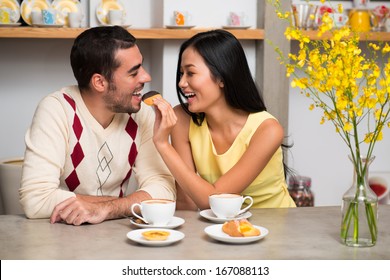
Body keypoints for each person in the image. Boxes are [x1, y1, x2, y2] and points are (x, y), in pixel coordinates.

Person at [19, 26, 175, 225]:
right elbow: (36, 199)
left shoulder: (141, 113)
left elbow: (164, 191)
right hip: (60, 236)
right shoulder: (57, 109)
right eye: (134, 72)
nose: (146, 77)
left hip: (115, 235)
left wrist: (106, 209)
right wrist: (126, 204)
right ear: (99, 82)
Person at [152, 29, 295, 210]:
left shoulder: (268, 130)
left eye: (190, 73)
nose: (181, 83)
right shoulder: (182, 119)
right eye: (181, 73)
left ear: (221, 77)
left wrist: (163, 145)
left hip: (275, 227)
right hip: (220, 227)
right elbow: (186, 200)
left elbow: (211, 200)